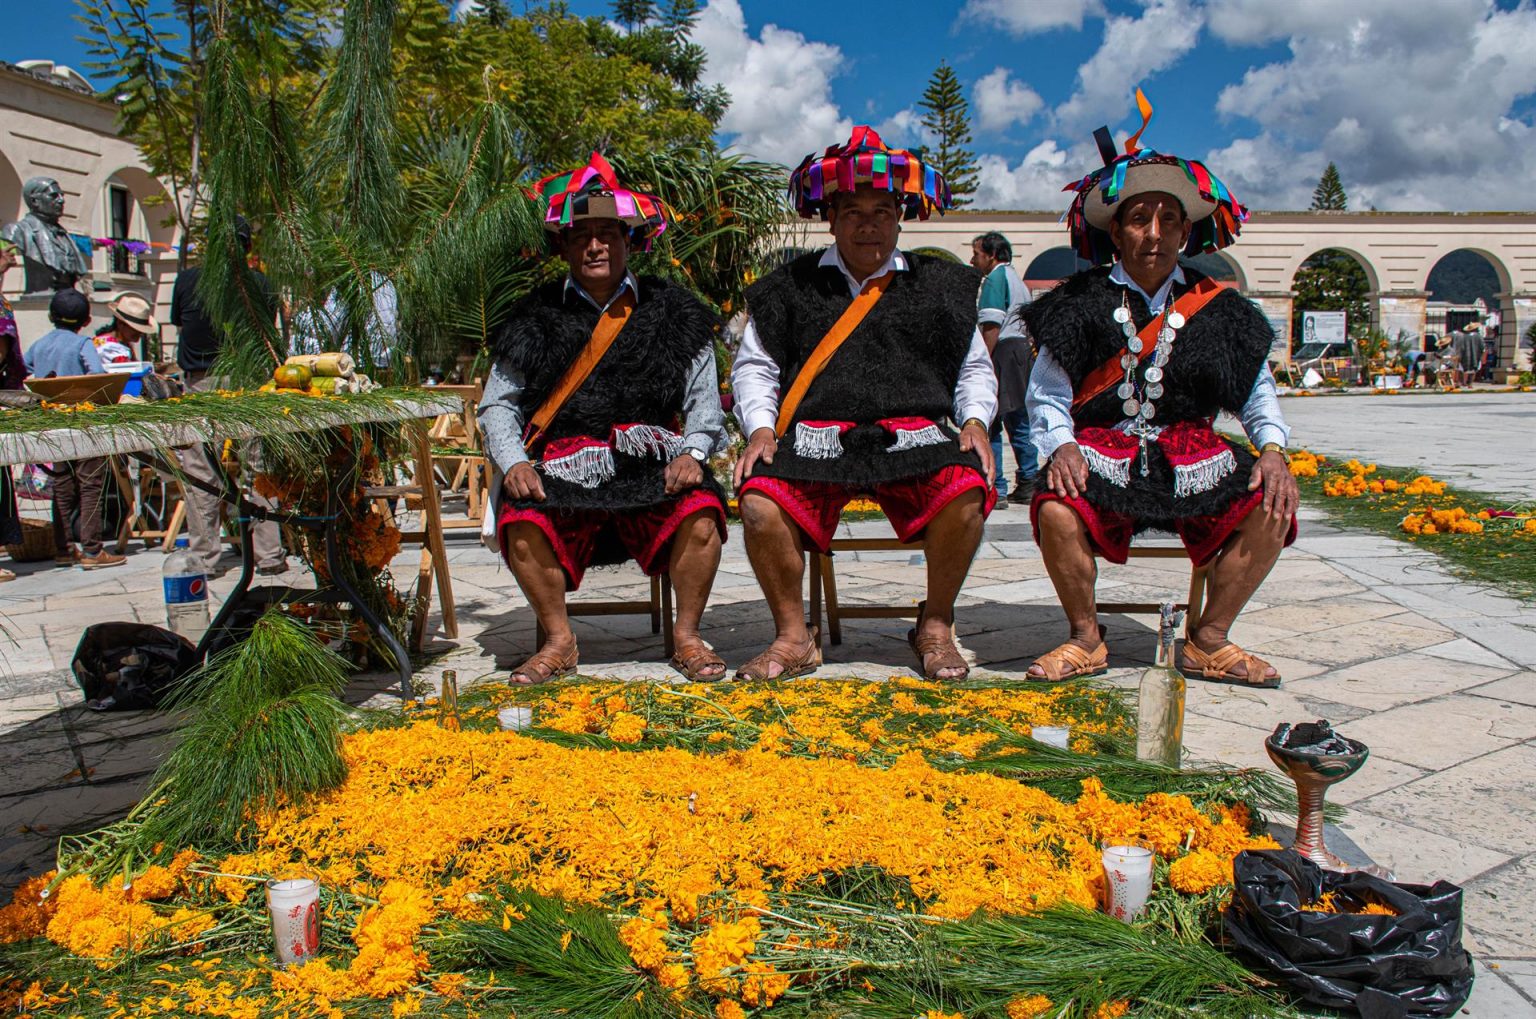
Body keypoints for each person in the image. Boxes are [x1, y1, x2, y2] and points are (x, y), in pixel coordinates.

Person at [1022, 93, 1296, 687]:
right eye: (1140, 219)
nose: (1155, 233)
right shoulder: (1074, 302)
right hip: (1099, 451)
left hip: (1193, 454)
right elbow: (1046, 392)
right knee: (1054, 504)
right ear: (1116, 230)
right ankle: (1085, 639)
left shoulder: (1222, 308)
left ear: (1186, 231)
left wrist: (1273, 449)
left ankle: (1209, 639)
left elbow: (1256, 391)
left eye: (1168, 219)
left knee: (1272, 506)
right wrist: (1060, 445)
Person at [731, 126, 997, 682]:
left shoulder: (942, 286)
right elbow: (756, 367)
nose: (869, 224)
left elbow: (973, 366)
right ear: (831, 217)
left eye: (882, 210)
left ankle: (935, 626)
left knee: (967, 488)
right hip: (817, 439)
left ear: (901, 215)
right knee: (759, 501)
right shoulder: (788, 287)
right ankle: (793, 637)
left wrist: (974, 421)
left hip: (914, 437)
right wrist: (760, 429)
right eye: (853, 211)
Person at [479, 152, 729, 683]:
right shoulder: (532, 315)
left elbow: (705, 400)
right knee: (519, 518)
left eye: (608, 233)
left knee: (703, 508)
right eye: (582, 235)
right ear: (564, 246)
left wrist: (694, 452)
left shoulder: (676, 311)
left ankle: (687, 637)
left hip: (653, 466)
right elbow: (497, 404)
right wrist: (514, 460)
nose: (596, 245)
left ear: (628, 240)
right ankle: (558, 641)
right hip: (564, 469)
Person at [170, 217, 286, 575]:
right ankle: (269, 555)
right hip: (249, 379)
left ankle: (204, 557)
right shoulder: (260, 283)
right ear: (246, 246)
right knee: (259, 467)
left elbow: (179, 323)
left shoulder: (188, 280)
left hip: (202, 381)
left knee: (201, 472)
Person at [24, 290, 126, 569]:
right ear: (87, 319)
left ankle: (64, 548)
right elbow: (96, 375)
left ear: (50, 316)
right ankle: (92, 551)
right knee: (91, 484)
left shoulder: (40, 344)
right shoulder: (83, 343)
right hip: (84, 422)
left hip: (54, 422)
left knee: (62, 484)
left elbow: (27, 367)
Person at [970, 230, 1036, 506]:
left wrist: (982, 359)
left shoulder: (996, 278)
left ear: (992, 255)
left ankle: (996, 485)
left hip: (1004, 351)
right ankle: (1029, 480)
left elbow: (992, 323)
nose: (973, 261)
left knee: (993, 418)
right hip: (1021, 350)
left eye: (977, 254)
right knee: (1020, 418)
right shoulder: (1015, 277)